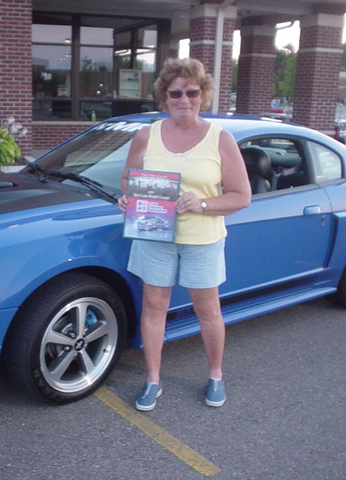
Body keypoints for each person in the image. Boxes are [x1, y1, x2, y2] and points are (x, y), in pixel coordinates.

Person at [118, 58, 251, 411]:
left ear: (203, 94)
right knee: (153, 306)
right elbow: (128, 180)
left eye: (192, 92)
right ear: (164, 95)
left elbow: (242, 196)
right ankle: (152, 380)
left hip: (202, 239)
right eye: (175, 92)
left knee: (207, 309)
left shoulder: (220, 139)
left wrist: (203, 204)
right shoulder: (147, 135)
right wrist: (127, 198)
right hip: (154, 234)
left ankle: (216, 375)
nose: (184, 99)